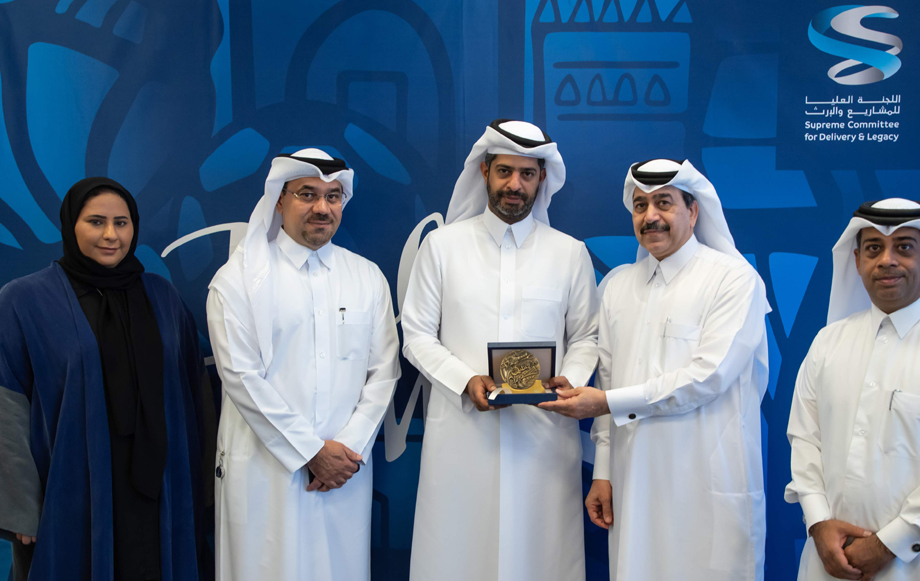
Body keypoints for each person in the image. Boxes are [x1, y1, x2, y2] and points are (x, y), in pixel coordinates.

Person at [540, 159, 770, 580]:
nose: (651, 216)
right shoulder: (617, 286)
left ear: (693, 211)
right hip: (635, 485)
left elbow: (709, 376)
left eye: (664, 203)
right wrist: (604, 473)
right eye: (640, 205)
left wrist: (606, 402)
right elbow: (608, 379)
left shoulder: (734, 280)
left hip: (706, 482)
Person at [401, 119, 599, 581]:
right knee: (458, 554)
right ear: (485, 172)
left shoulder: (569, 253)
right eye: (505, 172)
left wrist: (570, 379)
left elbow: (587, 337)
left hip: (545, 435)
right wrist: (464, 380)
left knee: (543, 556)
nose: (515, 185)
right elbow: (416, 335)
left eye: (527, 174)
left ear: (542, 179)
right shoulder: (443, 247)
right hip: (464, 435)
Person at [0, 177, 211, 581]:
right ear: (70, 225)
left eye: (123, 222)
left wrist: (203, 489)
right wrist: (20, 508)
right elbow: (5, 409)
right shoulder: (24, 301)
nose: (111, 235)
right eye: (96, 222)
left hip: (160, 490)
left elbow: (195, 395)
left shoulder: (162, 296)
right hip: (71, 490)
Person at [208, 149, 400, 580]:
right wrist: (311, 451)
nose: (321, 208)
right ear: (280, 199)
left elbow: (384, 371)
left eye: (333, 197)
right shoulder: (237, 280)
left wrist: (344, 453)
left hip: (342, 475)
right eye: (307, 194)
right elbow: (241, 378)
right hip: (266, 472)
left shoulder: (367, 277)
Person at [785, 199, 920, 581]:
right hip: (830, 560)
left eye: (903, 247)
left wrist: (887, 545)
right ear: (857, 261)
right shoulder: (828, 342)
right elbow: (804, 440)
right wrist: (818, 523)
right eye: (873, 249)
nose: (886, 260)